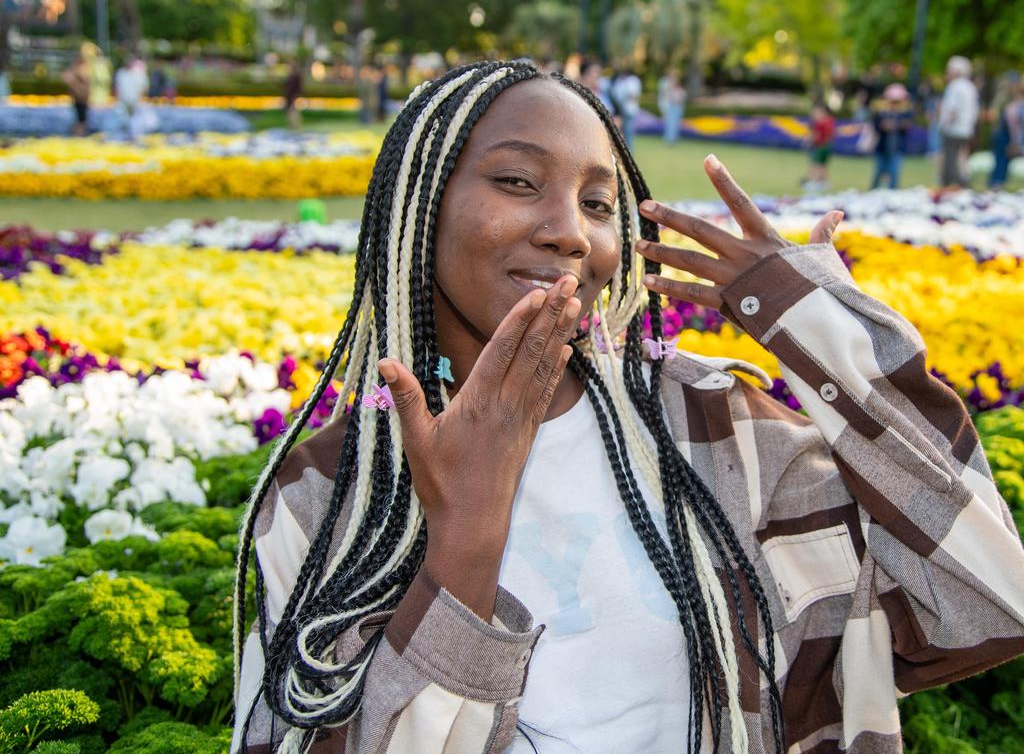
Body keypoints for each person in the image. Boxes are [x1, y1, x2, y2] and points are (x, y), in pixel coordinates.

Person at [231, 60, 1024, 754]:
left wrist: (821, 330)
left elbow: (988, 596)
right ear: (419, 204)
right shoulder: (325, 494)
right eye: (516, 181)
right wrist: (464, 542)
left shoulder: (716, 429)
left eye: (601, 203)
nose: (571, 233)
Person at [938, 55, 979, 188]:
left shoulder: (955, 86)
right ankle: (960, 184)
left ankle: (954, 185)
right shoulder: (970, 87)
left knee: (951, 161)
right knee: (961, 159)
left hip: (953, 129)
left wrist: (944, 124)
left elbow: (952, 110)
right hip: (966, 129)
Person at [869, 83, 914, 189]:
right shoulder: (881, 113)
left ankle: (892, 194)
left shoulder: (905, 113)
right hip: (882, 148)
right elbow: (877, 126)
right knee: (879, 172)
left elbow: (907, 127)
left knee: (894, 174)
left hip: (897, 148)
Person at [988, 73, 1024, 190]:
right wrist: (1015, 143)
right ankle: (997, 183)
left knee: (1001, 160)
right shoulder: (1013, 103)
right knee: (1001, 160)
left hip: (1005, 136)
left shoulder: (1013, 103)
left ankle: (997, 183)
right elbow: (1014, 127)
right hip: (1005, 136)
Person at [114, 56, 149, 140]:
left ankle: (136, 136)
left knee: (136, 120)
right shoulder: (121, 73)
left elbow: (144, 87)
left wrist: (140, 98)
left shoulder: (138, 73)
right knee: (123, 119)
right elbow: (117, 87)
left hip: (135, 101)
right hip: (123, 101)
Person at [804, 101, 835, 193]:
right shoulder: (830, 120)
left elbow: (816, 135)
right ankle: (824, 182)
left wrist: (808, 141)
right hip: (827, 145)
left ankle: (815, 182)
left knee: (816, 165)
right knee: (822, 165)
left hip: (820, 145)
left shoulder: (821, 122)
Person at [611, 66, 642, 152]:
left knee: (628, 131)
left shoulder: (632, 81)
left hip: (630, 110)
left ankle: (629, 149)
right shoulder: (620, 82)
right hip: (622, 109)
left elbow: (634, 96)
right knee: (624, 131)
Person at [62, 52, 91, 137]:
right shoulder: (80, 69)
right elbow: (67, 77)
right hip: (80, 97)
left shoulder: (77, 68)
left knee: (80, 118)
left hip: (80, 97)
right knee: (81, 118)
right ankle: (79, 133)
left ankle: (78, 133)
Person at [657, 68, 686, 144]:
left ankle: (673, 138)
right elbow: (664, 94)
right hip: (670, 106)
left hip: (674, 107)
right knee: (670, 123)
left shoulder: (679, 89)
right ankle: (669, 139)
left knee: (674, 124)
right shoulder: (665, 82)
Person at [283, 58, 303, 130]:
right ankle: (292, 127)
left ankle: (296, 127)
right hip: (288, 97)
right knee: (289, 112)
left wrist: (296, 97)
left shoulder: (296, 76)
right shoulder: (290, 75)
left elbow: (299, 88)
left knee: (294, 112)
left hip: (293, 97)